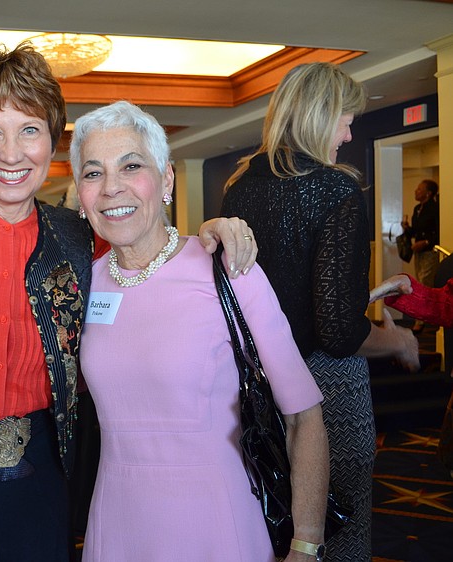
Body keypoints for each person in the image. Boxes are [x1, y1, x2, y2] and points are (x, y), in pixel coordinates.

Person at [0, 42, 257, 562]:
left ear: (53, 141)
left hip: (43, 470)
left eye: (30, 130)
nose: (12, 153)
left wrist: (211, 233)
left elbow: (149, 243)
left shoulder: (78, 237)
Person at [71, 100, 329, 562]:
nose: (111, 188)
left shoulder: (228, 268)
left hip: (217, 523)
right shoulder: (81, 285)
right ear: (80, 191)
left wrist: (306, 545)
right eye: (93, 173)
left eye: (131, 165)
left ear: (166, 178)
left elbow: (303, 417)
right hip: (117, 524)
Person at [221, 62, 420, 561]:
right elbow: (336, 332)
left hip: (260, 382)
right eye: (345, 120)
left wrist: (367, 295)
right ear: (317, 115)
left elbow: (277, 298)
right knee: (340, 528)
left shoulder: (239, 187)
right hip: (325, 389)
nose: (350, 135)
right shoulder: (336, 190)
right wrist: (396, 340)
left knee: (276, 518)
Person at [401, 179, 440, 332]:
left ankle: (421, 321)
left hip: (430, 252)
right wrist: (407, 228)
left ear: (428, 193)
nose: (416, 191)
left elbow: (437, 232)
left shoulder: (435, 208)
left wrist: (425, 242)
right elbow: (416, 231)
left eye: (419, 189)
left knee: (424, 284)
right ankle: (424, 318)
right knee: (420, 283)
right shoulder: (418, 208)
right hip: (419, 253)